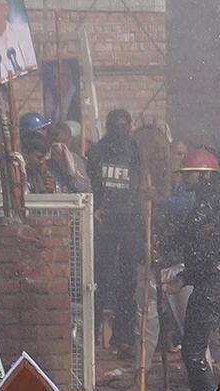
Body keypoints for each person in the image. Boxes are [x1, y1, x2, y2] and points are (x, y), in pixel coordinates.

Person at [166, 149, 220, 391]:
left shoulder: (210, 199)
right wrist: (186, 278)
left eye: (189, 175)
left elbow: (192, 232)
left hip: (214, 285)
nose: (185, 180)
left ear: (203, 175)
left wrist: (162, 246)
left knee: (194, 351)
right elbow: (210, 247)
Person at [88, 109, 142, 354]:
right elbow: (88, 182)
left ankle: (123, 336)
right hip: (104, 223)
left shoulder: (135, 150)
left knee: (128, 280)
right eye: (116, 125)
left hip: (130, 223)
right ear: (109, 127)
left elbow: (141, 183)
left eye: (125, 124)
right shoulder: (97, 151)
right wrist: (95, 207)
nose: (121, 129)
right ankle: (93, 334)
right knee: (101, 278)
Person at [20, 132, 90, 194]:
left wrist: (53, 191)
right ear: (25, 153)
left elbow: (85, 191)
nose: (42, 162)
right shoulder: (19, 174)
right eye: (39, 157)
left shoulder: (53, 170)